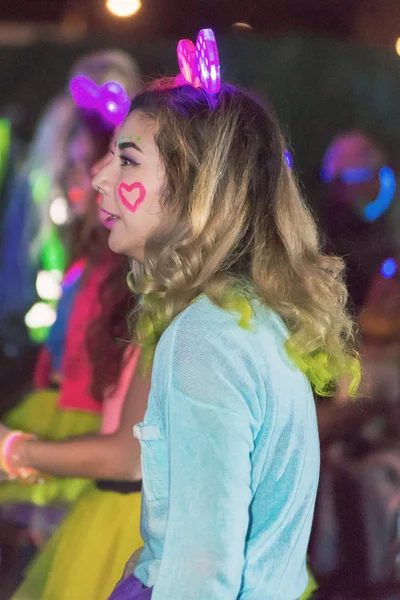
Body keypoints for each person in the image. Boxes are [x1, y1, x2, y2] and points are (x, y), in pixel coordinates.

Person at [92, 32, 359, 600]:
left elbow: (203, 576)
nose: (99, 178)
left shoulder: (205, 340)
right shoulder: (241, 320)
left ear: (196, 193)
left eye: (127, 160)